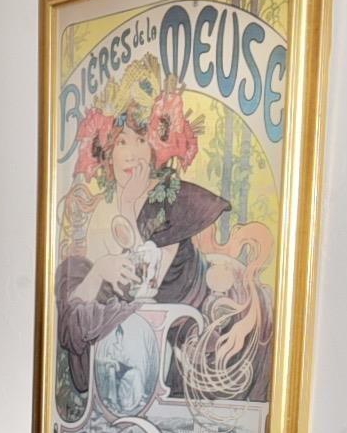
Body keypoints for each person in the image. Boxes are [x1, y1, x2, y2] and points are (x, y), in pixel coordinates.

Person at [53, 56, 230, 412]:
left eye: (140, 140)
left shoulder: (173, 201)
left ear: (155, 148)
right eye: (121, 142)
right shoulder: (103, 208)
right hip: (133, 347)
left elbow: (141, 294)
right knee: (70, 272)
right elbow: (78, 314)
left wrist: (102, 272)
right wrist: (100, 268)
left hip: (180, 351)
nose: (130, 154)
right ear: (108, 150)